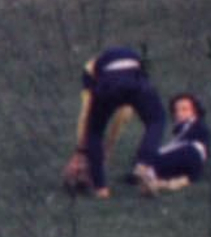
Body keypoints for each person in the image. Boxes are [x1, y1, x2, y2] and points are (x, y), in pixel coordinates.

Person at [60, 44, 167, 198]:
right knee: (156, 120)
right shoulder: (137, 66)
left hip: (108, 85)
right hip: (135, 81)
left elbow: (87, 112)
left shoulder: (91, 71)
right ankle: (144, 164)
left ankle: (101, 189)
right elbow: (124, 114)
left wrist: (82, 150)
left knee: (94, 131)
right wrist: (106, 151)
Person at [135, 91, 211, 195]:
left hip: (191, 153)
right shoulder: (185, 128)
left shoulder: (194, 125)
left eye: (185, 109)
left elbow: (175, 146)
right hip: (194, 166)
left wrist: (153, 155)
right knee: (171, 166)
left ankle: (148, 174)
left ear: (195, 111)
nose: (179, 113)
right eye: (176, 110)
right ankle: (165, 183)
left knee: (148, 159)